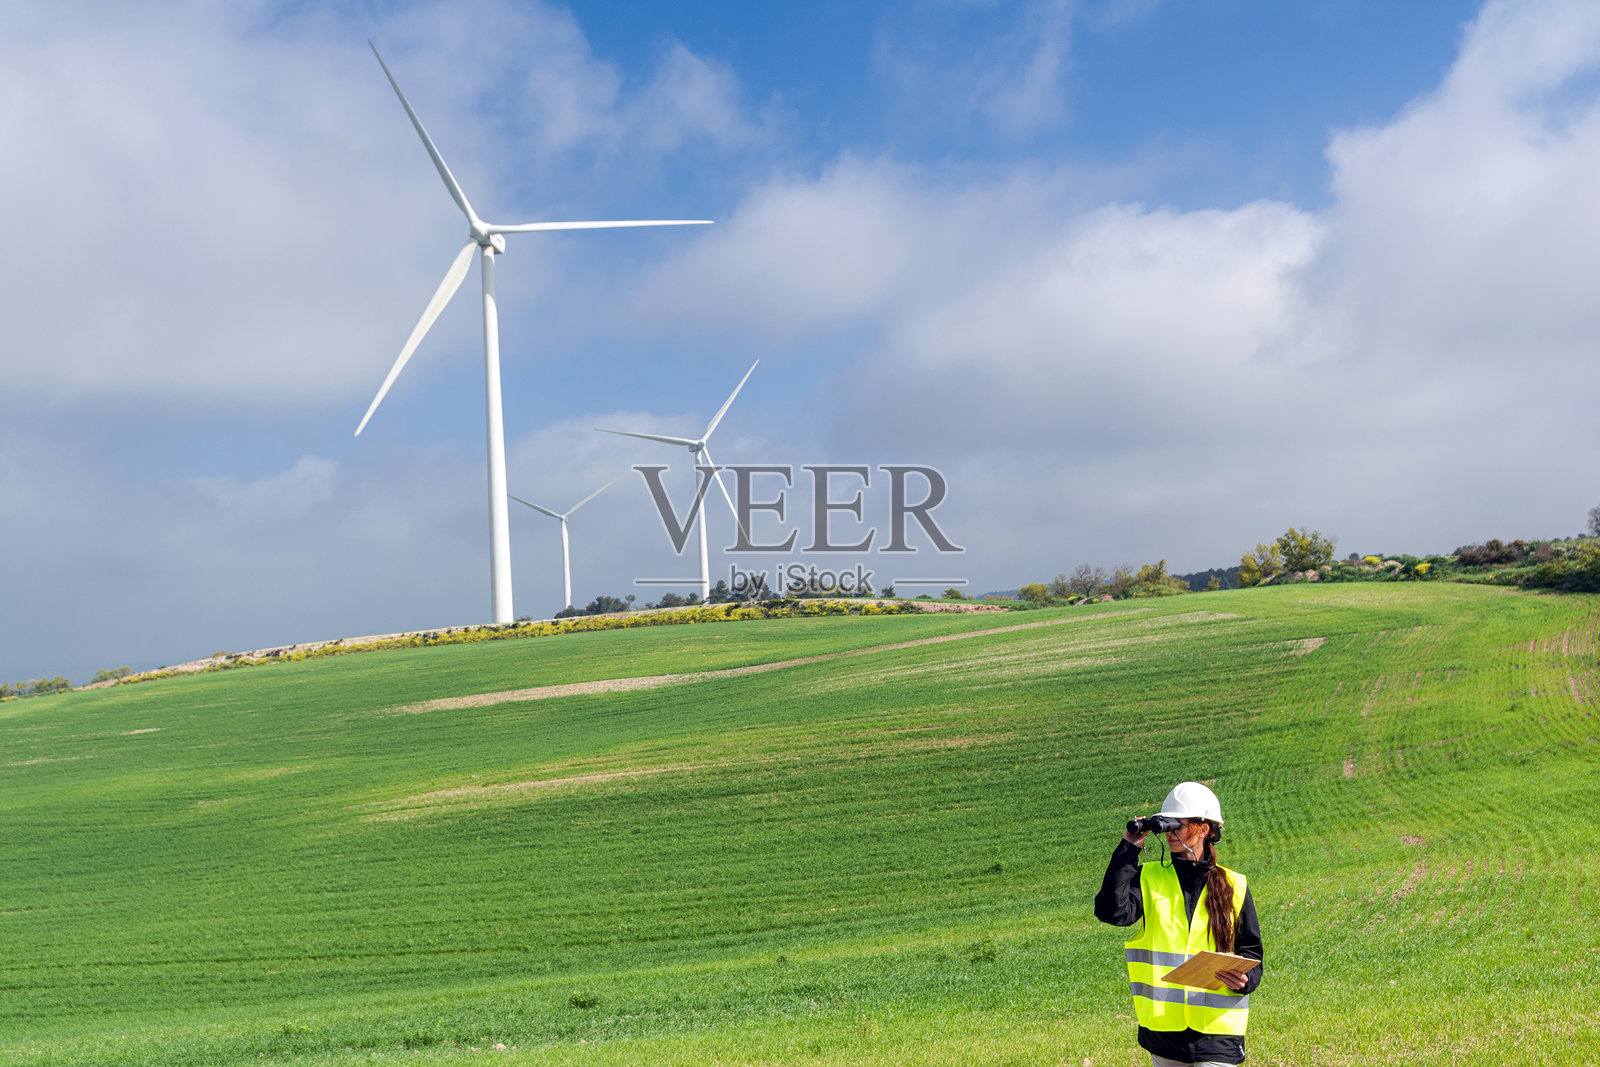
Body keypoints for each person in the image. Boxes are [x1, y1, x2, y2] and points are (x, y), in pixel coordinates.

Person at [1094, 781, 1263, 1066]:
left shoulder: (1234, 885)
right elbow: (1111, 912)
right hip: (1164, 1031)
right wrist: (1128, 849)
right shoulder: (1148, 878)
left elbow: (1252, 956)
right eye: (1167, 825)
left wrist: (1245, 980)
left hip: (1217, 1032)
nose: (1171, 833)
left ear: (1205, 829)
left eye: (1178, 824)